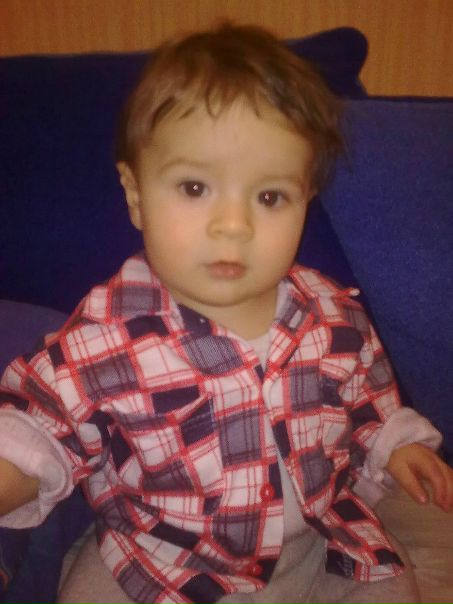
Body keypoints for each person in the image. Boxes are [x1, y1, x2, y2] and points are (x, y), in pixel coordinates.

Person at [0, 23, 452, 604]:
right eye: (195, 188)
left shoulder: (332, 313)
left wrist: (397, 444)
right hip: (164, 560)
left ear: (306, 198)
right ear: (136, 195)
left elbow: (368, 400)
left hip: (320, 544)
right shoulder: (105, 336)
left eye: (269, 197)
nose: (233, 226)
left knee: (390, 586)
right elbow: (40, 426)